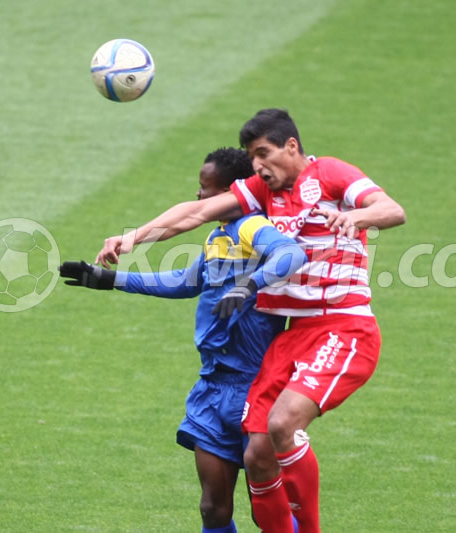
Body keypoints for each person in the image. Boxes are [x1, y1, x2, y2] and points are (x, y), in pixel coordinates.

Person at [95, 109, 406, 532]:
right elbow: (195, 212)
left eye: (264, 153)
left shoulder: (330, 173)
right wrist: (133, 237)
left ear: (290, 146)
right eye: (252, 157)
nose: (257, 166)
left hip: (343, 326)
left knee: (281, 424)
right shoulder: (263, 191)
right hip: (294, 335)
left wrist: (357, 217)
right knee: (257, 454)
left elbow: (392, 209)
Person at [61, 147, 306, 533]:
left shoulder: (254, 227)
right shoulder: (218, 236)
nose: (199, 197)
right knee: (213, 508)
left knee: (267, 514)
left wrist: (249, 286)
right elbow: (187, 282)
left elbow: (291, 253)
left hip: (257, 390)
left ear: (233, 192)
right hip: (212, 387)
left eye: (206, 190)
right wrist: (111, 280)